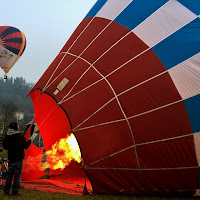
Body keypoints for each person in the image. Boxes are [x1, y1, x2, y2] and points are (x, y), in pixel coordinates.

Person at [3, 121, 31, 196]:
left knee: (9, 176)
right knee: (17, 177)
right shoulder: (20, 137)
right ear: (16, 128)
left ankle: (6, 191)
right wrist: (29, 141)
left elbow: (5, 147)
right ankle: (14, 192)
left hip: (11, 159)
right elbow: (26, 146)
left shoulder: (7, 137)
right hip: (18, 160)